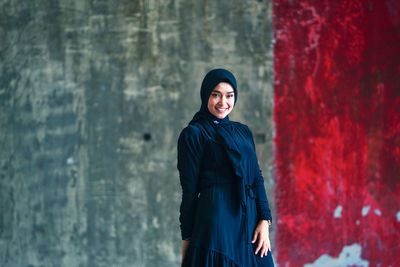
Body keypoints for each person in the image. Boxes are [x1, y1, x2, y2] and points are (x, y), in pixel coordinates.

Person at [177, 69, 274, 267]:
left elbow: (255, 177)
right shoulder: (193, 134)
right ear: (206, 95)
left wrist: (265, 220)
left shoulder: (243, 132)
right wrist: (187, 238)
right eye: (216, 95)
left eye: (229, 96)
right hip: (216, 229)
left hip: (250, 227)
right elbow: (189, 192)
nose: (223, 102)